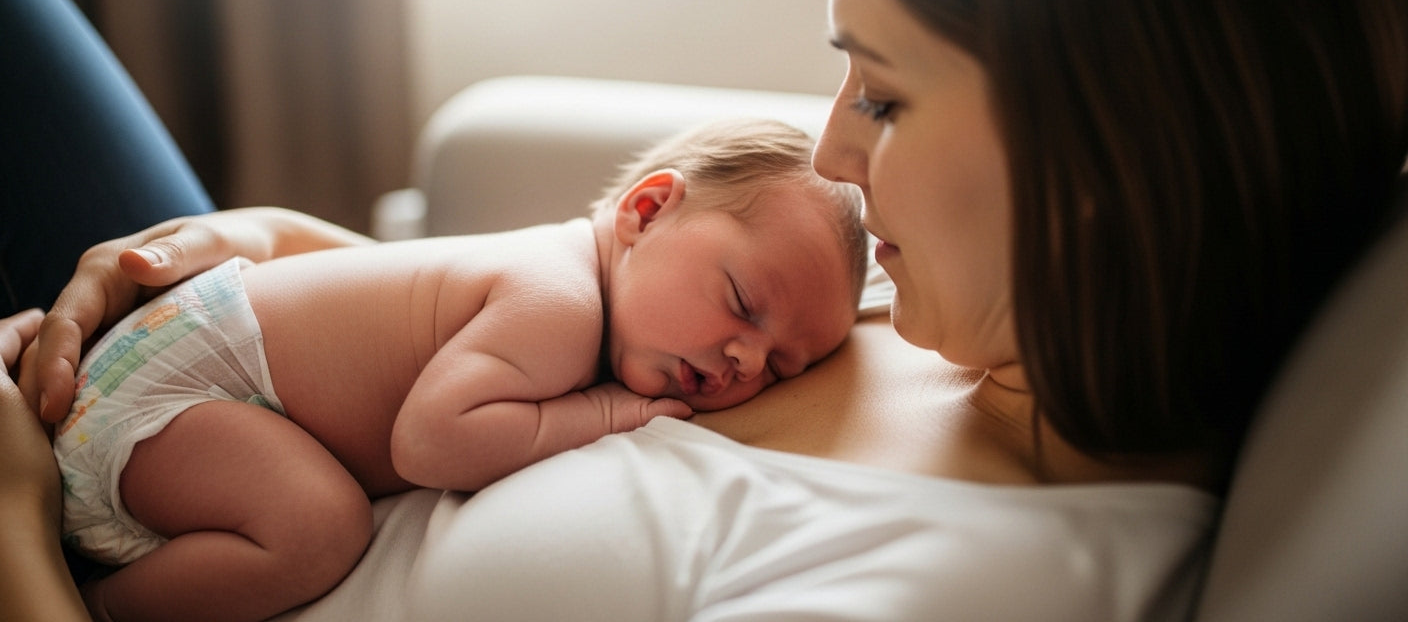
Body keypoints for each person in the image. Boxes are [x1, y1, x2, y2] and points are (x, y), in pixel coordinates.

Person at [4, 0, 1406, 619]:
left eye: (886, 95)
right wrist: (245, 247)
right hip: (215, 370)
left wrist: (13, 526)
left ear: (1098, 143)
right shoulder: (915, 298)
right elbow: (471, 306)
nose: (836, 154)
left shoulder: (970, 582)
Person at [52, 115, 867, 622]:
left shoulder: (553, 272)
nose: (746, 359)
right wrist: (606, 413)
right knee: (319, 529)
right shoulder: (561, 305)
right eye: (743, 303)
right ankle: (99, 607)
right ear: (647, 211)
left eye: (782, 365)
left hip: (178, 368)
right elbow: (431, 444)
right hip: (172, 394)